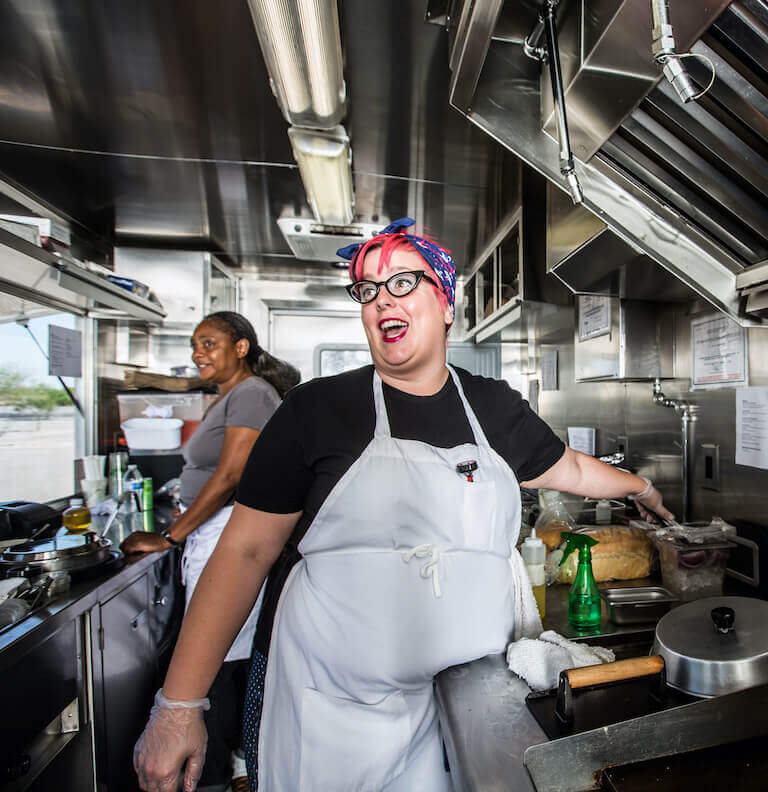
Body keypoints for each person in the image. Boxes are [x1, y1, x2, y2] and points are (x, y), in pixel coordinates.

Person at [132, 219, 673, 792]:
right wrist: (179, 704)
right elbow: (242, 554)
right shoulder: (315, 412)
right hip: (333, 718)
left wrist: (640, 487)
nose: (381, 300)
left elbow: (570, 468)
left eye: (402, 283)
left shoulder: (492, 407)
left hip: (469, 706)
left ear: (445, 304)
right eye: (367, 289)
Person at [121, 311, 300, 792]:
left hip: (227, 533)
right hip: (211, 530)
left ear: (241, 347)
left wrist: (170, 536)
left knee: (222, 656)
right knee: (220, 655)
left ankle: (229, 771)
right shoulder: (231, 395)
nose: (198, 352)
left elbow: (230, 476)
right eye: (194, 344)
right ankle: (229, 767)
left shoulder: (251, 394)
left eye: (209, 342)